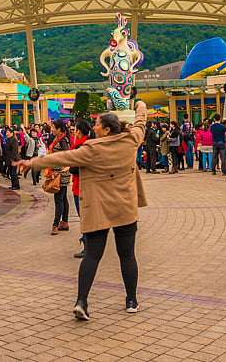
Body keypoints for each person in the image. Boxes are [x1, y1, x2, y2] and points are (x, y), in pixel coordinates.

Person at [15, 101, 148, 320]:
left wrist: (34, 163)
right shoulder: (131, 139)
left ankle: (82, 302)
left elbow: (63, 157)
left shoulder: (92, 149)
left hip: (98, 209)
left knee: (92, 256)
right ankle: (131, 301)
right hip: (125, 208)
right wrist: (140, 105)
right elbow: (141, 122)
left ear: (106, 130)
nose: (94, 127)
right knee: (127, 255)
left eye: (97, 124)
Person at [70, 120, 93, 259]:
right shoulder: (90, 143)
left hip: (81, 187)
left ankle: (88, 247)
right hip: (87, 186)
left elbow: (77, 168)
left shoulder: (81, 146)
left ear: (79, 131)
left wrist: (70, 168)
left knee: (84, 219)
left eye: (74, 129)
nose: (73, 132)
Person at [46, 119, 73, 234]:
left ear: (59, 129)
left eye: (53, 127)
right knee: (63, 198)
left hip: (60, 174)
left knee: (58, 199)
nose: (52, 129)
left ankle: (55, 225)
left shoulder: (62, 140)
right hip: (59, 172)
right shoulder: (58, 139)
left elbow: (67, 154)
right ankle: (64, 222)